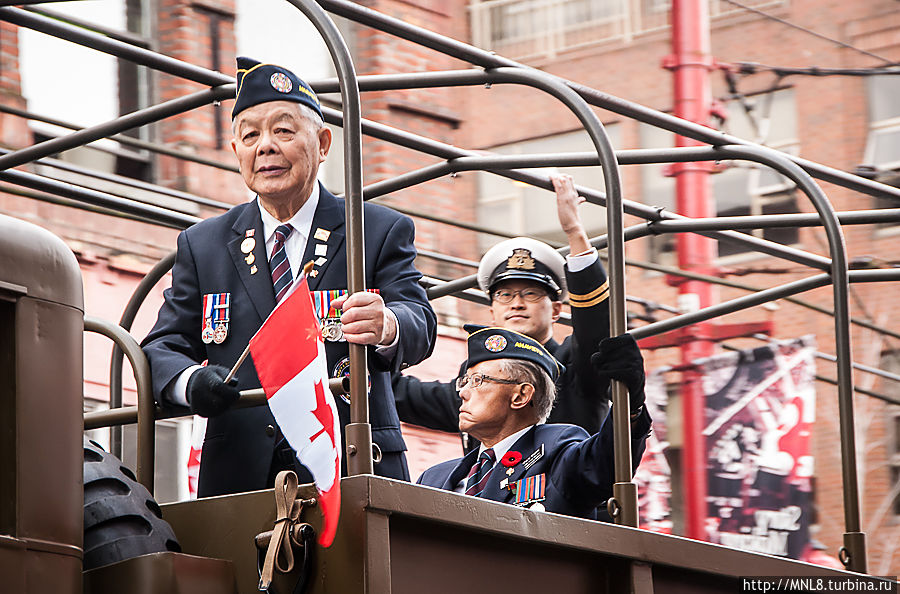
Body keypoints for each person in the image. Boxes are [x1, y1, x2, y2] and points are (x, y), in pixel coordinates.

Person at [142, 57, 437, 497]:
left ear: (321, 143)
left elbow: (421, 322)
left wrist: (388, 324)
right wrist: (191, 383)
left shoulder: (374, 230)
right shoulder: (202, 244)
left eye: (283, 130)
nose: (265, 147)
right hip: (239, 476)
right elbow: (161, 347)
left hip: (351, 465)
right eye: (250, 136)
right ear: (236, 151)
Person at [394, 174, 611, 448]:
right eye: (504, 295)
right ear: (492, 311)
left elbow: (596, 327)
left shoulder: (572, 365)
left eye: (530, 294)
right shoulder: (475, 379)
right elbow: (398, 394)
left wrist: (575, 233)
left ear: (556, 310)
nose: (516, 303)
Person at [417, 326, 651, 520]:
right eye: (465, 381)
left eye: (478, 381)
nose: (463, 393)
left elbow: (604, 464)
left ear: (520, 396)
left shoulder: (556, 451)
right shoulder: (433, 478)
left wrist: (631, 404)